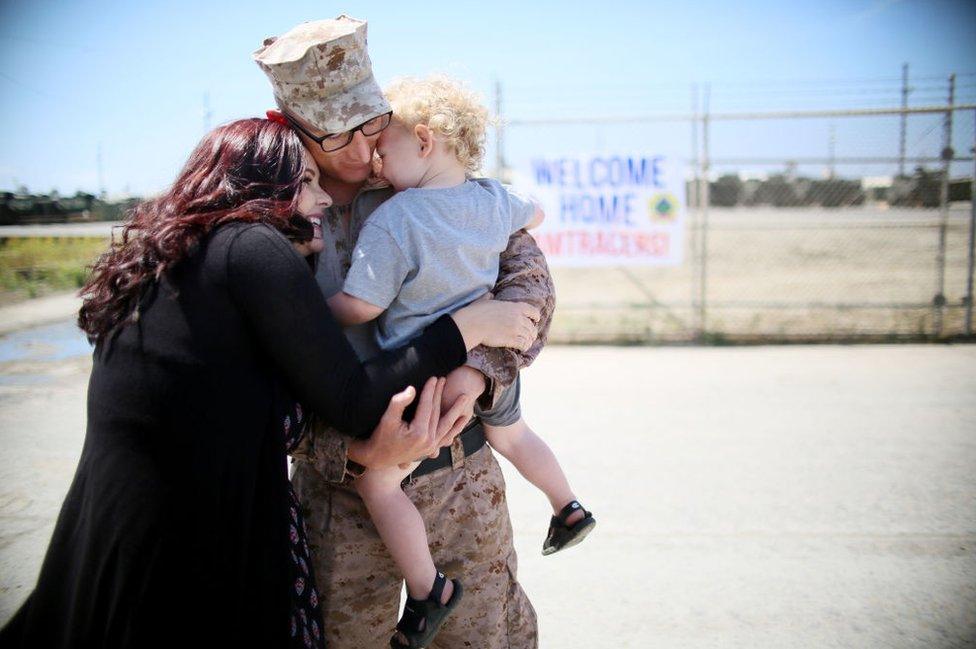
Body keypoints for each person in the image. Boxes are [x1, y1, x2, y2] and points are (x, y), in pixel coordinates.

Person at [0, 118, 538, 649]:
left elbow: (531, 293)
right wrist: (463, 328)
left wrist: (479, 366)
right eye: (305, 181)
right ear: (262, 186)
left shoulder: (186, 255)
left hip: (129, 526)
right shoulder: (252, 248)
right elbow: (347, 398)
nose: (322, 196)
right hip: (203, 537)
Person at [253, 16, 556, 648]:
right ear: (298, 131)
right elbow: (255, 375)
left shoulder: (437, 185)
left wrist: (479, 371)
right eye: (338, 138)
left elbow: (530, 290)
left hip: (461, 473)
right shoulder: (275, 217)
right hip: (340, 498)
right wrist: (345, 451)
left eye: (371, 126)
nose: (363, 153)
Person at [326, 74, 596, 648]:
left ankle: (429, 593)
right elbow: (537, 215)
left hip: (419, 381)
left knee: (381, 485)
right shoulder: (493, 199)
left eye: (383, 144)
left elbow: (363, 305)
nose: (375, 159)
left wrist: (308, 310)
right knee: (517, 434)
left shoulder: (397, 216)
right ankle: (566, 505)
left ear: (422, 140)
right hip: (476, 376)